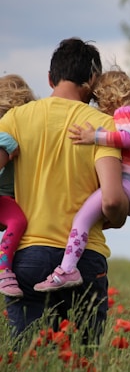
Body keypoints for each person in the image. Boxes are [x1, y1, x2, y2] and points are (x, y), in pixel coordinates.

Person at [0, 38, 129, 345]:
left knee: (28, 359)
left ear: (50, 78)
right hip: (84, 260)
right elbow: (111, 199)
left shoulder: (16, 118)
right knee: (82, 359)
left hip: (27, 257)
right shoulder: (102, 126)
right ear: (93, 80)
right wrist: (119, 215)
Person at [34, 67, 130, 292]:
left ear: (110, 97)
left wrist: (93, 137)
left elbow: (126, 139)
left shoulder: (125, 113)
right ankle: (74, 256)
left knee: (81, 219)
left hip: (127, 187)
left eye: (99, 102)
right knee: (92, 221)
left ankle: (67, 270)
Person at [0, 75, 35, 297]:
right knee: (18, 221)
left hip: (9, 196)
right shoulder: (5, 136)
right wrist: (12, 144)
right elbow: (6, 142)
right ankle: (3, 269)